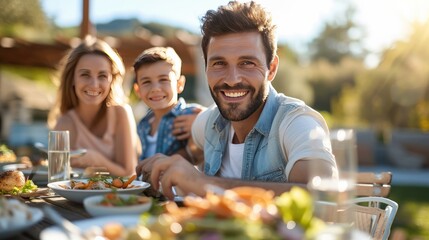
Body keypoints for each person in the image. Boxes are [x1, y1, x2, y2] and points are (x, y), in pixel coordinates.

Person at [136, 0, 337, 199]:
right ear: (206, 68)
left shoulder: (298, 123)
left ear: (272, 69)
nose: (232, 80)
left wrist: (204, 183)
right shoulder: (208, 122)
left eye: (247, 63)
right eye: (219, 63)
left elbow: (323, 197)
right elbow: (191, 151)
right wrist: (171, 165)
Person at [48, 36, 139, 177]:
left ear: (111, 80)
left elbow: (129, 174)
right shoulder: (64, 122)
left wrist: (97, 160)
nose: (94, 85)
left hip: (117, 198)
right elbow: (56, 177)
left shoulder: (121, 114)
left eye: (102, 76)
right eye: (85, 74)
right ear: (72, 78)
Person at [133, 46, 205, 161]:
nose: (155, 89)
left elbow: (217, 123)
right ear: (138, 90)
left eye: (163, 80)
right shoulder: (142, 125)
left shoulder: (191, 115)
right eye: (146, 82)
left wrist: (203, 120)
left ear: (179, 84)